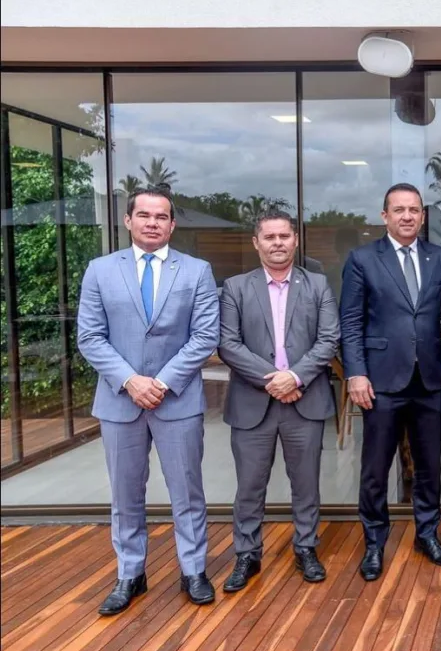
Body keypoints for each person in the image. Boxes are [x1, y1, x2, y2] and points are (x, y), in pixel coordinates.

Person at [76, 184, 220, 615]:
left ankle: (193, 570)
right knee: (125, 494)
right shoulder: (100, 270)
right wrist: (130, 381)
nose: (152, 223)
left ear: (172, 224)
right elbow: (90, 336)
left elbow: (205, 336)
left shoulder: (196, 271)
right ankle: (130, 574)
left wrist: (162, 381)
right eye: (145, 215)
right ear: (128, 220)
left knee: (187, 492)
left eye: (161, 217)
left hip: (176, 400)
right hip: (120, 402)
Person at [340, 182, 441, 582]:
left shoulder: (440, 258)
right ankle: (374, 542)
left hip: (430, 379)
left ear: (423, 216)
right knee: (375, 469)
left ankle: (426, 534)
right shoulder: (362, 259)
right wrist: (356, 372)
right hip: (381, 380)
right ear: (385, 216)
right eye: (399, 210)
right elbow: (351, 321)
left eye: (414, 210)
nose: (407, 216)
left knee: (429, 467)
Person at [216, 211, 340, 592]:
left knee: (306, 483)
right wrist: (275, 380)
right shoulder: (235, 287)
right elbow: (227, 344)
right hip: (254, 403)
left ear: (295, 240)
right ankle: (247, 555)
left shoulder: (318, 285)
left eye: (284, 235)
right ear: (256, 243)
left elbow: (329, 339)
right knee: (249, 486)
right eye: (269, 237)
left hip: (305, 400)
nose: (277, 243)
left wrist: (295, 376)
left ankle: (305, 547)